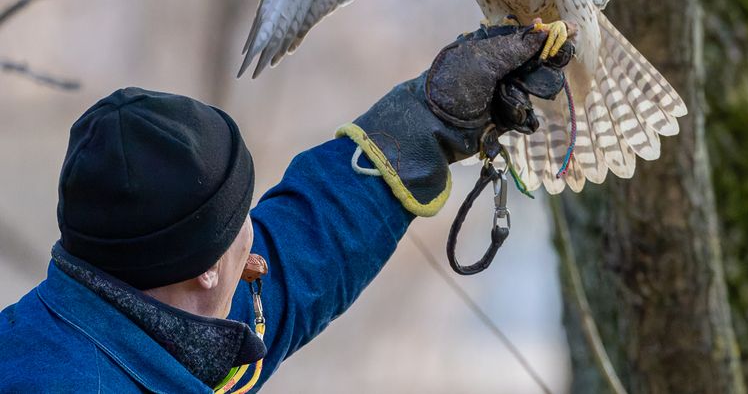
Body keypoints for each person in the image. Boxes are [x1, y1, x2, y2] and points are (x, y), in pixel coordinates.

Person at [0, 25, 571, 393]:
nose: (257, 242)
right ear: (205, 268)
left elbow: (304, 251)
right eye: (241, 218)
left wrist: (430, 118)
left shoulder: (152, 318)